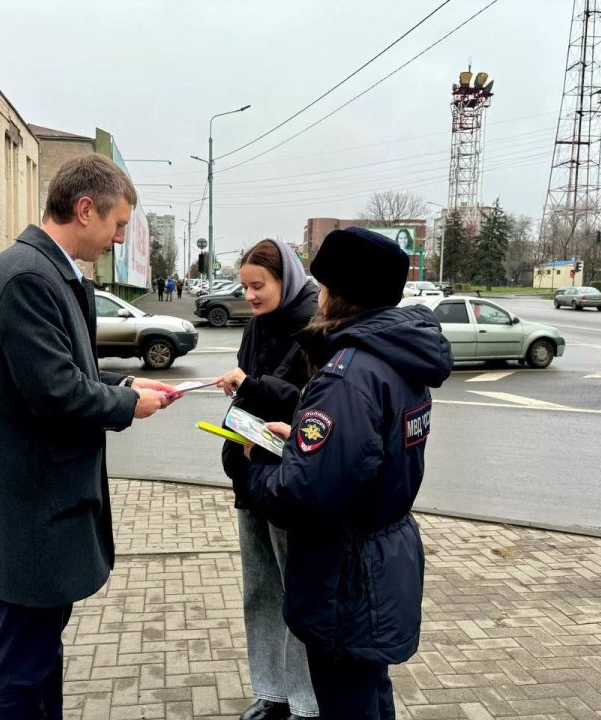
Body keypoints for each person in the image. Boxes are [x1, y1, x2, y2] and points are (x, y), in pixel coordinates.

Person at [0, 153, 177, 719]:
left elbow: (67, 373)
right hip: (30, 513)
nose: (119, 236)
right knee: (24, 665)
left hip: (36, 510)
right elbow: (56, 393)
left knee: (39, 654)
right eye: (118, 223)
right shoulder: (30, 277)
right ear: (86, 210)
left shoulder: (45, 272)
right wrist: (130, 403)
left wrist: (123, 381)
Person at [245, 227, 453, 720]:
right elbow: (362, 452)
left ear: (341, 294)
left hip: (347, 573)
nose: (317, 296)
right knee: (370, 693)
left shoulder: (349, 374)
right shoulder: (396, 360)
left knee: (348, 700)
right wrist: (301, 433)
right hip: (382, 556)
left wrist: (257, 464)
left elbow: (305, 494)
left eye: (323, 286)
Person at [216, 239, 320, 720]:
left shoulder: (313, 326)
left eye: (259, 286)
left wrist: (249, 390)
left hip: (285, 477)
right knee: (260, 588)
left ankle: (303, 701)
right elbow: (249, 398)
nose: (251, 296)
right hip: (248, 468)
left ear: (286, 279)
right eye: (245, 287)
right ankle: (271, 693)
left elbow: (304, 403)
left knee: (294, 590)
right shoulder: (256, 327)